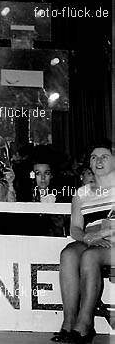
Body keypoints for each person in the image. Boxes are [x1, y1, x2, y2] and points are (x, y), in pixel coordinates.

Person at [53, 141, 114, 343]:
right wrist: (88, 237)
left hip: (112, 242)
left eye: (104, 156)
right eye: (94, 157)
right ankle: (68, 322)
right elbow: (75, 229)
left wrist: (102, 234)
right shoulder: (81, 193)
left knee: (89, 256)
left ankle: (85, 323)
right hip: (92, 241)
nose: (98, 161)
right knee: (68, 253)